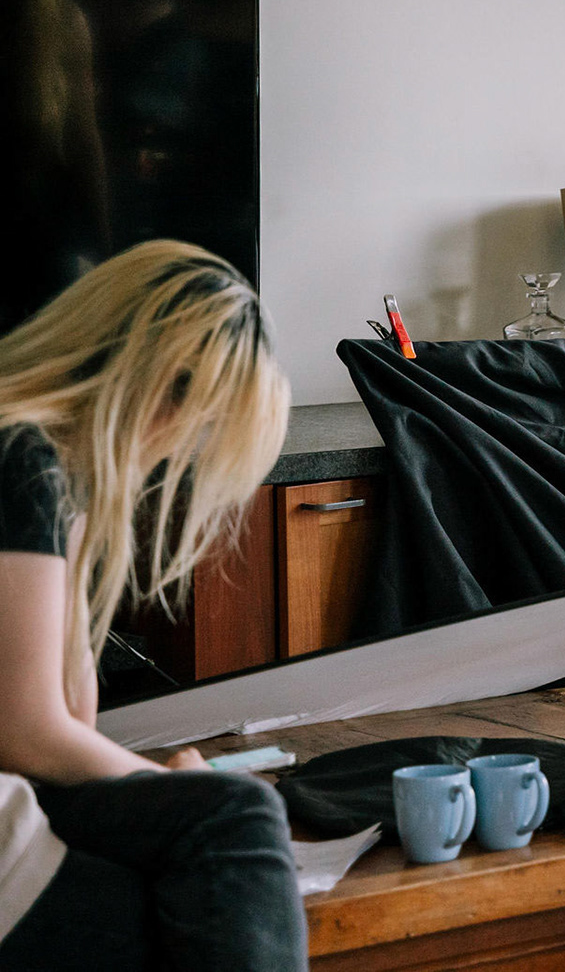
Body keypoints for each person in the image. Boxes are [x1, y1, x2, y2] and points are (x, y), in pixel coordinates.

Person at [0, 240, 304, 969]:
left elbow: (69, 718)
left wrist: (81, 517)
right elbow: (29, 733)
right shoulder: (19, 458)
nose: (176, 455)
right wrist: (168, 785)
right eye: (200, 425)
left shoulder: (47, 470)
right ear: (159, 390)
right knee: (234, 815)